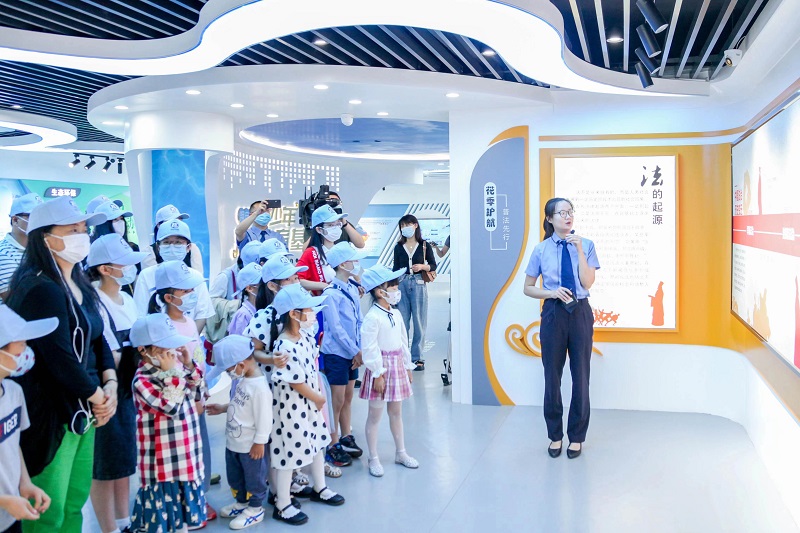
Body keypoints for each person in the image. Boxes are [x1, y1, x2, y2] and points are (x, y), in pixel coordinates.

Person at [5, 197, 117, 533]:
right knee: (48, 511)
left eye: (83, 229)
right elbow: (59, 358)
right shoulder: (40, 287)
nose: (82, 236)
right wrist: (99, 397)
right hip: (53, 414)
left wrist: (110, 384)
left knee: (73, 502)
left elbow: (98, 336)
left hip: (86, 409)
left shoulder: (79, 281)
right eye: (72, 230)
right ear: (45, 238)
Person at [523, 198, 600, 460]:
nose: (568, 217)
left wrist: (579, 251)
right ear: (549, 218)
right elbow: (528, 287)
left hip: (580, 312)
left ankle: (576, 436)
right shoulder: (541, 249)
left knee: (581, 376)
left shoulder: (586, 244)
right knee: (552, 377)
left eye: (570, 212)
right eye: (562, 213)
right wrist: (551, 292)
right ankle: (555, 435)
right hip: (554, 312)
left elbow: (587, 282)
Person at [85, 235, 148, 533]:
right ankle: (109, 527)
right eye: (125, 264)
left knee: (124, 461)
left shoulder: (129, 299)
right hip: (108, 392)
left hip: (130, 391)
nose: (130, 269)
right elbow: (107, 354)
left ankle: (125, 521)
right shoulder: (94, 302)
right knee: (104, 467)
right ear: (105, 269)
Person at [268, 284, 344, 525]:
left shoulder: (305, 336)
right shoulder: (284, 345)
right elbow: (294, 381)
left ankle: (320, 487)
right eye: (308, 310)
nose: (312, 314)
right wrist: (317, 397)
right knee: (288, 454)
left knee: (318, 442)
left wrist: (316, 397)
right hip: (292, 407)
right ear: (293, 313)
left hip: (310, 402)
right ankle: (282, 503)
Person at [147, 261, 216, 526]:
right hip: (178, 400)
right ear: (168, 297)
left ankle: (198, 495)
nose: (192, 295)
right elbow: (167, 368)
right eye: (186, 291)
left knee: (200, 449)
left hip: (196, 394)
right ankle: (184, 501)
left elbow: (195, 358)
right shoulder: (162, 326)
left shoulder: (188, 321)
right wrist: (191, 395)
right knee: (182, 454)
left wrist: (202, 391)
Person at [129, 313, 207, 533]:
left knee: (182, 520)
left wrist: (188, 365)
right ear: (143, 350)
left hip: (185, 457)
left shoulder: (177, 370)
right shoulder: (143, 380)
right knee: (164, 522)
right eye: (164, 348)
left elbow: (198, 392)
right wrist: (172, 373)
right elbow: (170, 407)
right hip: (161, 467)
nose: (171, 352)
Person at [205, 336, 271, 530]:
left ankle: (255, 508)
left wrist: (260, 442)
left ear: (241, 365)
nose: (229, 374)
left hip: (250, 447)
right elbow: (242, 405)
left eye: (228, 370)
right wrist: (223, 408)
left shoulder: (259, 388)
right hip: (234, 443)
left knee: (254, 478)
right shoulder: (244, 380)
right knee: (236, 476)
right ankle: (242, 503)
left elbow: (265, 418)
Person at [358, 266, 419, 477]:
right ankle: (373, 457)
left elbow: (403, 340)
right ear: (379, 291)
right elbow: (369, 347)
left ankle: (401, 452)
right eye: (391, 286)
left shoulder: (396, 313)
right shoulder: (373, 317)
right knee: (375, 415)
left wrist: (407, 365)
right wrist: (377, 373)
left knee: (396, 412)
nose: (396, 290)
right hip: (381, 369)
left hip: (397, 366)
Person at [0, 306, 56, 533]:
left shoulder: (14, 392)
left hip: (11, 515)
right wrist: (4, 500)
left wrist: (25, 483)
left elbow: (12, 443)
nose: (26, 351)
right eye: (21, 344)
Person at [320, 243, 366, 467]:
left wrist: (359, 349)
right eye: (352, 260)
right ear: (341, 264)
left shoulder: (351, 289)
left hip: (352, 352)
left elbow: (358, 321)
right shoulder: (330, 294)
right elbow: (336, 329)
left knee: (348, 396)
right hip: (337, 354)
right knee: (336, 401)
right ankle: (332, 443)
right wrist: (354, 350)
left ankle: (346, 435)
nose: (355, 263)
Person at [133, 219, 214, 333]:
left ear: (188, 247)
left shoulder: (196, 277)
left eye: (178, 243)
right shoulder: (146, 275)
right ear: (158, 247)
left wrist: (190, 339)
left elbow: (202, 315)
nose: (172, 247)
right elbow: (140, 314)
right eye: (166, 242)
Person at [392, 214, 436, 370]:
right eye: (402, 226)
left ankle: (417, 357)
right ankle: (403, 357)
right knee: (402, 322)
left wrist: (422, 267)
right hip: (402, 282)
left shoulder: (424, 245)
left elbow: (433, 265)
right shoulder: (398, 246)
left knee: (419, 321)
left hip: (418, 283)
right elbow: (395, 268)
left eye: (408, 225)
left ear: (415, 225)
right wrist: (392, 286)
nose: (405, 228)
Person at [0, 193, 43, 301]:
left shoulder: (41, 250)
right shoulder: (3, 255)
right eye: (34, 217)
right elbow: (19, 301)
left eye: (42, 217)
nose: (40, 222)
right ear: (15, 220)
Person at [297, 205, 346, 295]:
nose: (335, 228)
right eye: (331, 225)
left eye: (338, 224)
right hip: (325, 299)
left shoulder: (343, 249)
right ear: (319, 229)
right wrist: (324, 286)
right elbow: (297, 280)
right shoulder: (311, 253)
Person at [141, 205, 204, 275]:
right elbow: (150, 277)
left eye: (180, 221)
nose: (177, 225)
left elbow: (198, 276)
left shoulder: (192, 249)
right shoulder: (149, 251)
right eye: (172, 221)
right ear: (159, 225)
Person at [227, 263, 262, 336]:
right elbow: (240, 342)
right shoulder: (243, 316)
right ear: (249, 288)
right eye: (262, 285)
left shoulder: (260, 309)